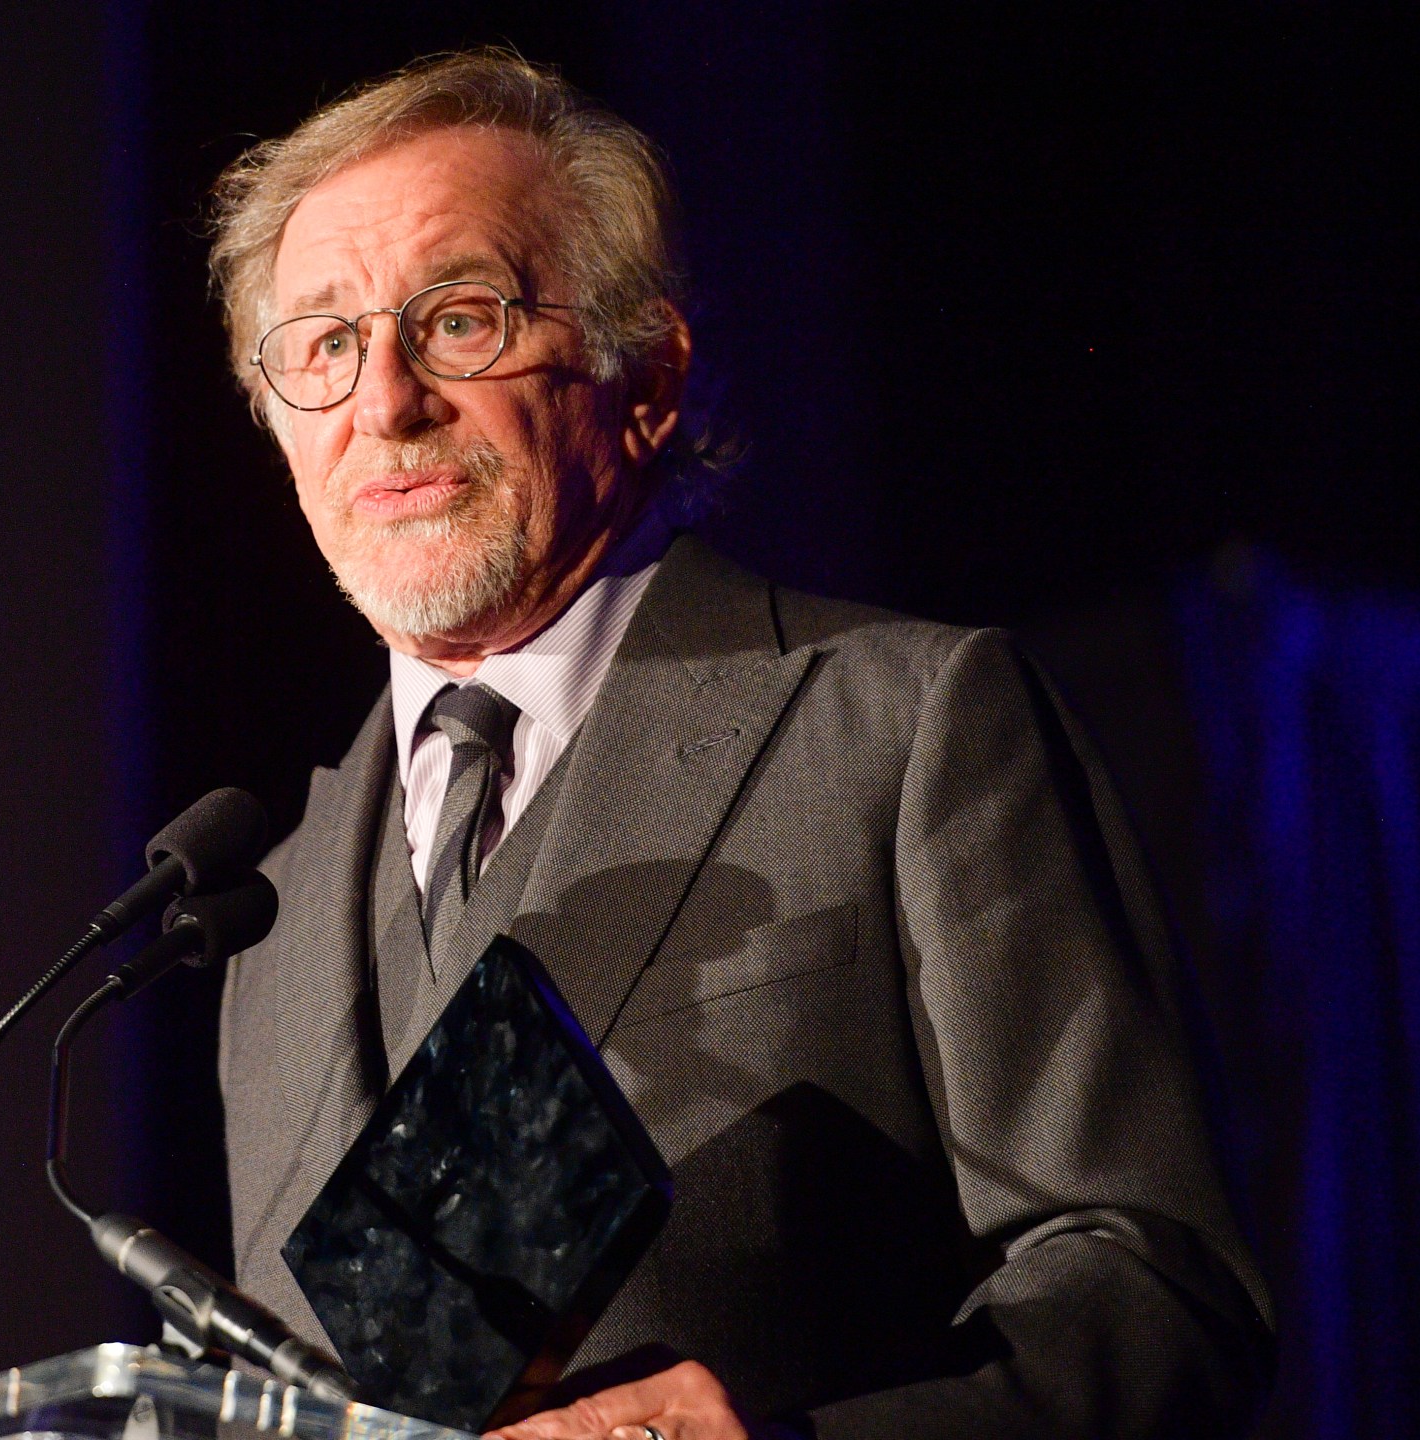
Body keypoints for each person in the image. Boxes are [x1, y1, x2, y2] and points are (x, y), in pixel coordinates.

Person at [209, 50, 1273, 1440]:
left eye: (460, 319)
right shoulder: (267, 918)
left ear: (647, 374)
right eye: (327, 346)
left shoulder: (907, 727)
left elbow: (1159, 1292)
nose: (385, 403)